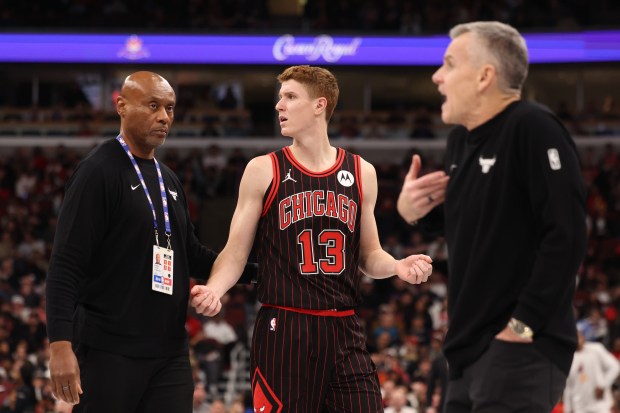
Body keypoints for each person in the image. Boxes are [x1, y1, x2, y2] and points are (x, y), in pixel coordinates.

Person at [191, 65, 433, 412]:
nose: (279, 106)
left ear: (320, 105)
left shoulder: (363, 171)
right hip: (285, 328)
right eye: (279, 98)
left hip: (344, 327)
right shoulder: (264, 169)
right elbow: (235, 253)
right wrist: (215, 289)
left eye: (290, 97)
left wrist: (397, 266)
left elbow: (369, 256)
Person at [396, 21, 587, 412]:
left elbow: (566, 233)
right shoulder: (459, 141)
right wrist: (414, 213)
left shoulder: (532, 126)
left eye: (449, 64)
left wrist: (523, 325)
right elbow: (472, 223)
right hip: (466, 351)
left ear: (485, 76)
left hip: (520, 347)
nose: (437, 77)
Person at [45, 71, 256, 413]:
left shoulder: (168, 178)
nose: (164, 117)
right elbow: (65, 266)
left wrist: (259, 271)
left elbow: (192, 256)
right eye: (154, 106)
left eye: (170, 108)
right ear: (122, 107)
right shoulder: (97, 172)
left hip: (169, 354)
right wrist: (59, 346)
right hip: (108, 352)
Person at [563, 328, 620, 413]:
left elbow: (615, 367)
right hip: (579, 406)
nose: (578, 339)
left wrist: (603, 385)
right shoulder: (567, 359)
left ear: (582, 336)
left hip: (600, 404)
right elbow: (568, 387)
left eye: (579, 335)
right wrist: (567, 409)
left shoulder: (596, 349)